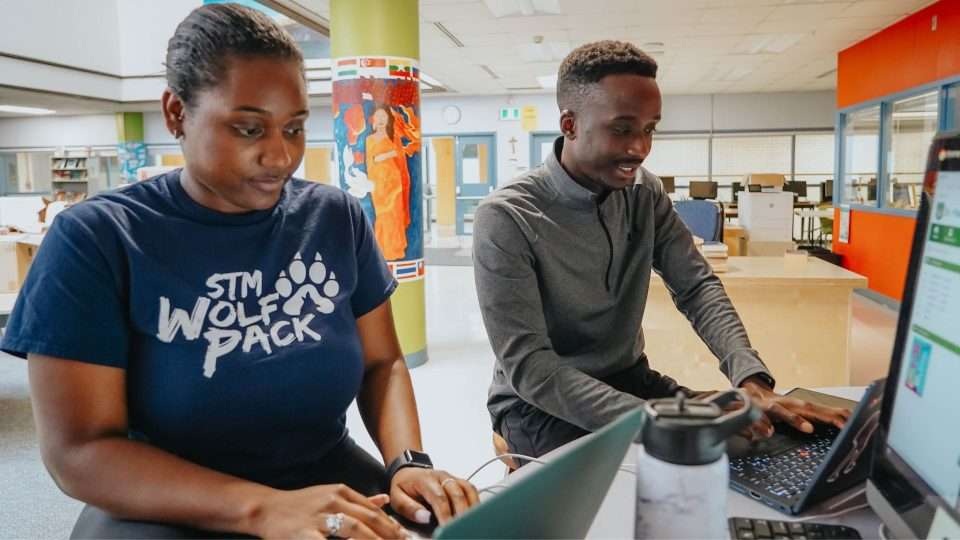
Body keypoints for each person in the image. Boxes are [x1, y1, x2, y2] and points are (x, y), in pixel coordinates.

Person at [2, 5, 477, 538]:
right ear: (176, 113)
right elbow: (79, 452)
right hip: (168, 501)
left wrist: (407, 461)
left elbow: (381, 364)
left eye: (294, 128)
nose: (280, 157)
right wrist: (262, 508)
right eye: (249, 128)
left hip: (324, 479)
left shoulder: (334, 218)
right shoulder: (99, 239)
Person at [473, 40, 851, 461]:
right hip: (539, 405)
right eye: (622, 128)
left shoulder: (644, 192)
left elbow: (696, 286)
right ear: (570, 124)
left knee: (757, 439)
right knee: (663, 471)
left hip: (631, 381)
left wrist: (751, 382)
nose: (639, 148)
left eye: (649, 128)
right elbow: (533, 370)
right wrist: (663, 421)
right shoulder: (507, 216)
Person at [365, 105, 409, 260]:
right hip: (379, 186)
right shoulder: (370, 140)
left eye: (384, 117)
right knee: (383, 215)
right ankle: (382, 249)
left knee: (395, 215)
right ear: (374, 120)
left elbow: (401, 162)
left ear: (388, 119)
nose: (381, 120)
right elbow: (371, 161)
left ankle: (395, 250)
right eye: (378, 117)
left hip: (395, 184)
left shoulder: (394, 138)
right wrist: (387, 154)